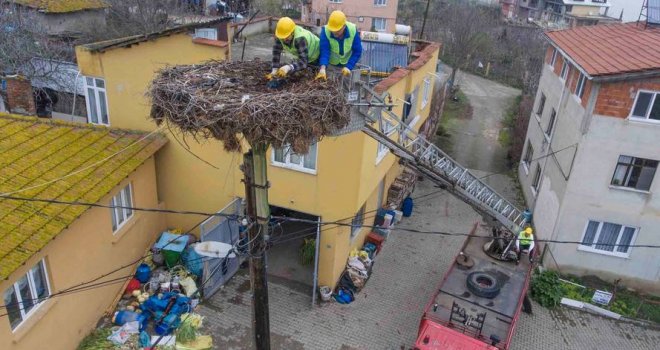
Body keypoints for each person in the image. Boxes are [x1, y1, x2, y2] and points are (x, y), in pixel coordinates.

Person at [315, 10, 363, 81]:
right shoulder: (325, 31)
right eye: (332, 30)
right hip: (331, 65)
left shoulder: (352, 30)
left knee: (346, 87)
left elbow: (357, 51)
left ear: (344, 26)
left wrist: (349, 66)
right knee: (330, 86)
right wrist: (323, 68)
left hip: (347, 64)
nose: (334, 33)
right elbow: (324, 51)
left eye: (337, 31)